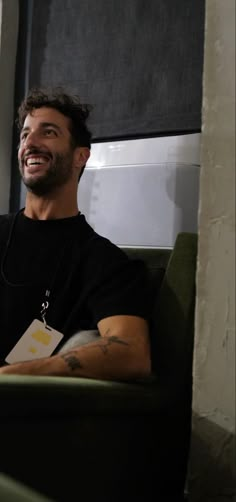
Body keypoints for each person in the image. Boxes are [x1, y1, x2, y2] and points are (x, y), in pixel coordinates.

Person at [0, 88, 151, 379]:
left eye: (49, 133)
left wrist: (11, 376)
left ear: (80, 156)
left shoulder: (102, 261)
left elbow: (132, 352)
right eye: (25, 134)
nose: (30, 142)